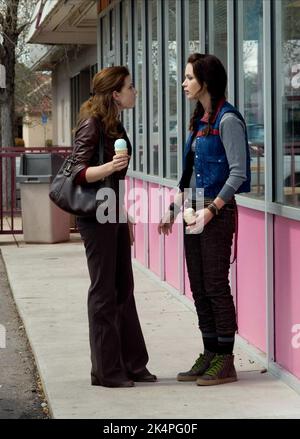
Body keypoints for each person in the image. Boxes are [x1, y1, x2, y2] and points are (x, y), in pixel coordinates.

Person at [158, 53, 250, 386]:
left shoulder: (228, 120)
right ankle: (210, 351)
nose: (184, 83)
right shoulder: (200, 121)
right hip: (193, 211)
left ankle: (226, 359)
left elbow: (238, 172)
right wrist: (172, 209)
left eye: (189, 77)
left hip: (217, 213)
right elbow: (189, 176)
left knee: (215, 285)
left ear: (205, 82)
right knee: (198, 286)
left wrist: (212, 210)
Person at [72, 66, 156, 388]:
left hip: (112, 210)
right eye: (130, 86)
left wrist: (124, 215)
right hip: (94, 216)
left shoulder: (113, 123)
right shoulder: (91, 124)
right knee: (104, 291)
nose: (134, 91)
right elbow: (79, 172)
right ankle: (106, 371)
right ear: (115, 94)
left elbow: (114, 181)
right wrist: (109, 165)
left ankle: (133, 364)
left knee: (124, 288)